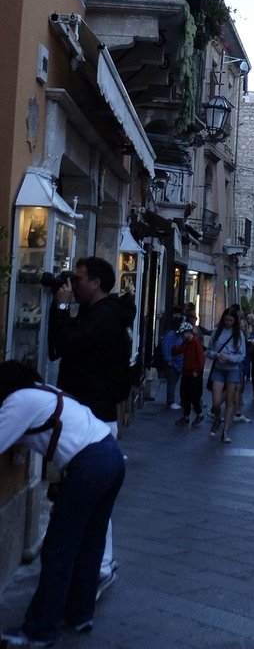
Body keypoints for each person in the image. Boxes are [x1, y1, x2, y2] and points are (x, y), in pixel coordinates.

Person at [0, 361, 126, 647]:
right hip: (112, 456)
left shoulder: (18, 401)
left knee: (59, 547)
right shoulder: (44, 392)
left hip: (89, 464)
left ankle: (41, 629)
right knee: (90, 543)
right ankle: (80, 615)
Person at [49, 256, 134, 598]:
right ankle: (95, 562)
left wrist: (61, 307)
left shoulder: (104, 319)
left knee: (93, 496)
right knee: (87, 494)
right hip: (91, 412)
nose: (75, 283)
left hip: (93, 415)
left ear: (96, 282)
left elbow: (65, 344)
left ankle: (100, 566)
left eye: (79, 278)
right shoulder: (104, 314)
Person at [206, 309, 246, 443]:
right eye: (226, 320)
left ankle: (226, 430)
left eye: (231, 320)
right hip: (218, 368)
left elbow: (242, 355)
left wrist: (229, 358)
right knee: (216, 402)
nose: (228, 323)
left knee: (230, 401)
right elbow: (209, 350)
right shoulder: (216, 332)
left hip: (232, 369)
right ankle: (217, 419)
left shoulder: (239, 335)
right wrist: (216, 355)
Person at [172, 322, 205, 427]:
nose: (182, 336)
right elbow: (180, 350)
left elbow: (201, 359)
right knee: (184, 394)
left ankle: (199, 414)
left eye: (183, 333)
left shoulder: (195, 343)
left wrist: (197, 371)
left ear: (189, 332)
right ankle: (186, 416)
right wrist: (175, 349)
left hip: (194, 374)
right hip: (186, 372)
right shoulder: (185, 343)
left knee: (194, 396)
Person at [160, 315, 184, 410]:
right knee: (172, 382)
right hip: (173, 362)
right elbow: (166, 347)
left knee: (173, 381)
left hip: (177, 362)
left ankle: (171, 401)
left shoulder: (176, 334)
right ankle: (170, 401)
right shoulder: (171, 334)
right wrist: (168, 359)